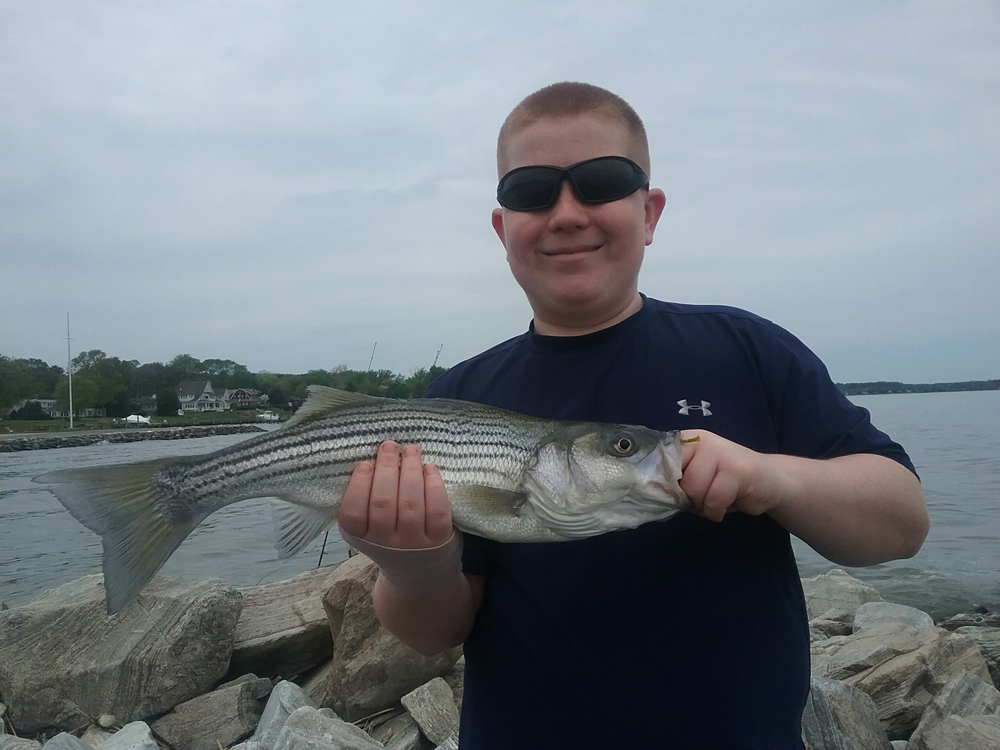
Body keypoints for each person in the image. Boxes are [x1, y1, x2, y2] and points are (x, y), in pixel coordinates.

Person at [337, 82, 930, 749]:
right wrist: (416, 571)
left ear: (649, 213)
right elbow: (432, 633)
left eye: (600, 182)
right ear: (504, 230)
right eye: (533, 190)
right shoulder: (458, 394)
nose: (566, 213)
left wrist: (774, 479)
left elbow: (902, 525)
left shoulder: (747, 350)